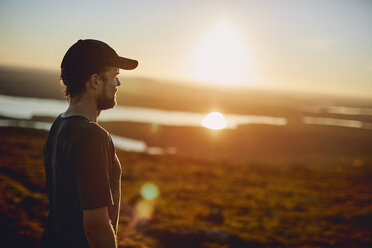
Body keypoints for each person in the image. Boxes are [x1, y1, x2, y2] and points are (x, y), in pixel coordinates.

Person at [40, 39, 138, 248]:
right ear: (95, 81)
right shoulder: (93, 136)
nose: (118, 84)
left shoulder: (59, 125)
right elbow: (96, 226)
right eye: (115, 76)